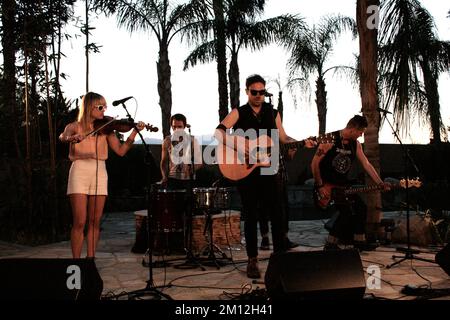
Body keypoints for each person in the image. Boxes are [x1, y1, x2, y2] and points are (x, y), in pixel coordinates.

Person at [215, 74, 314, 278]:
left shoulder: (273, 113)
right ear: (247, 92)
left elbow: (284, 137)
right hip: (246, 169)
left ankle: (279, 258)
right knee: (250, 214)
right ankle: (252, 260)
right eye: (254, 92)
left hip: (270, 169)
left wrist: (300, 142)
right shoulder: (238, 112)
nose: (258, 95)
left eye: (261, 92)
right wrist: (241, 146)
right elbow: (219, 133)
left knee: (277, 214)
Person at [59, 92, 146, 259]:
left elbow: (121, 151)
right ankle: (76, 263)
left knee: (94, 221)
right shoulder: (74, 126)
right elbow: (62, 137)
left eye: (104, 107)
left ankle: (90, 260)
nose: (104, 111)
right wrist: (71, 138)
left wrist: (134, 132)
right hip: (79, 170)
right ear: (89, 107)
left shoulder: (106, 128)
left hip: (100, 170)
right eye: (100, 107)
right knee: (79, 221)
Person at [311, 115, 390, 251]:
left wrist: (379, 182)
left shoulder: (356, 145)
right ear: (353, 129)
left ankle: (359, 241)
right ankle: (330, 244)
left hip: (343, 186)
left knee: (361, 207)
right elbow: (314, 164)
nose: (360, 135)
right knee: (346, 212)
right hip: (326, 186)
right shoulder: (329, 139)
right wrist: (320, 186)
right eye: (360, 132)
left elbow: (366, 164)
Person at [160, 113, 202, 190]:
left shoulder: (192, 140)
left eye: (179, 127)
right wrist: (164, 177)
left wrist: (190, 170)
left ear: (184, 126)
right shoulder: (167, 141)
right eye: (174, 127)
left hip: (188, 180)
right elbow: (164, 162)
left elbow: (199, 162)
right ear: (171, 126)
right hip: (171, 179)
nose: (176, 129)